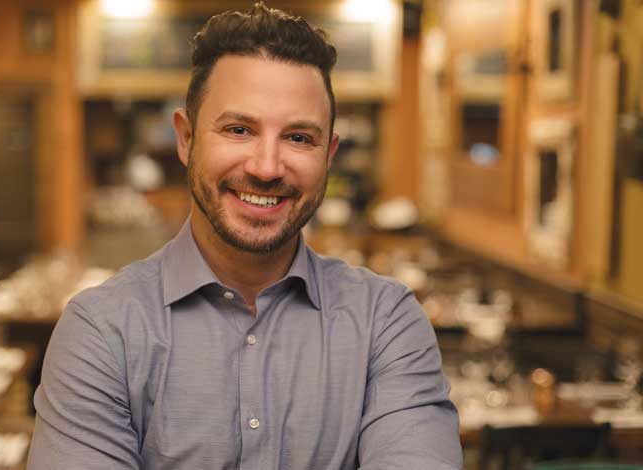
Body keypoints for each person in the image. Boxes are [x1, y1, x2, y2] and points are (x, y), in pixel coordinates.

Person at [27, 3, 462, 469]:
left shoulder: (386, 322)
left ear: (329, 155)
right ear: (186, 139)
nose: (267, 167)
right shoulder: (101, 330)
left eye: (299, 138)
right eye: (239, 130)